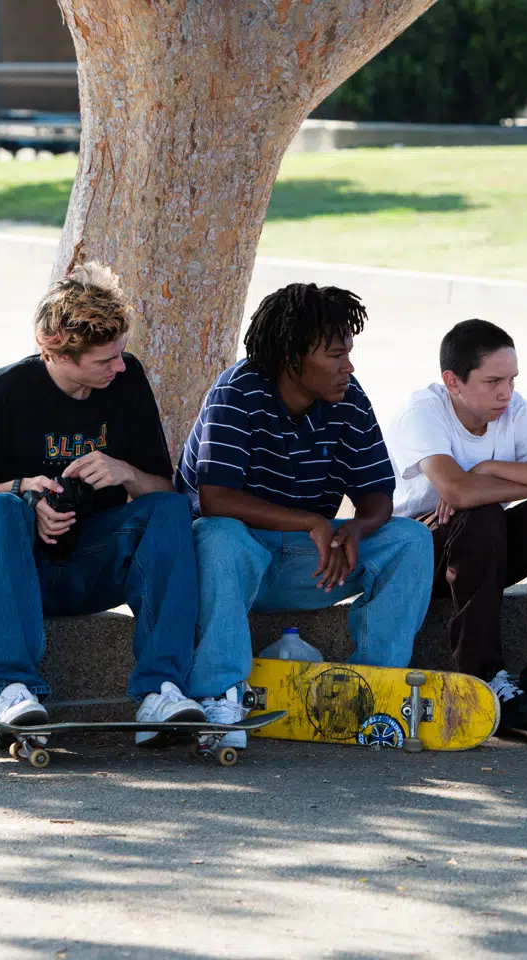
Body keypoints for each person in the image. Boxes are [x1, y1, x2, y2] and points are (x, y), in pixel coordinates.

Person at [0, 263, 205, 741]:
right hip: (1, 567)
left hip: (83, 565)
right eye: (103, 360)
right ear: (57, 352)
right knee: (0, 509)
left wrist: (126, 472)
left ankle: (161, 691)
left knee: (170, 511)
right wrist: (20, 491)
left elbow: (166, 493)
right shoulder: (4, 392)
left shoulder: (127, 380)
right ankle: (12, 689)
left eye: (120, 354)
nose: (118, 366)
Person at [177, 283, 433, 749]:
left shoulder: (348, 398)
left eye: (348, 353)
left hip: (308, 561)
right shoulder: (238, 390)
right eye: (335, 355)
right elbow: (215, 499)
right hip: (232, 564)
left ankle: (378, 688)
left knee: (410, 539)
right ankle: (220, 697)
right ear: (292, 357)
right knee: (215, 534)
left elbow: (377, 495)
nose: (348, 366)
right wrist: (313, 523)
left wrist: (359, 526)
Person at [386, 319, 527, 730]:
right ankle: (483, 675)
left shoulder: (512, 409)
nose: (507, 392)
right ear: (453, 381)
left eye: (512, 379)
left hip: (484, 551)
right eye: (493, 381)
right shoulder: (424, 411)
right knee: (480, 515)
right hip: (416, 557)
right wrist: (514, 483)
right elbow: (458, 493)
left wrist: (489, 469)